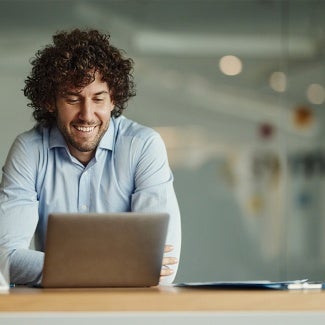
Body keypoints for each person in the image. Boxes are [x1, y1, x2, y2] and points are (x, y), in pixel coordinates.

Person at [0, 28, 181, 286]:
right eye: (73, 99)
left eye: (98, 99)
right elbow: (5, 259)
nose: (87, 114)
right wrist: (119, 266)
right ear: (51, 102)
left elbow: (163, 269)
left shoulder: (143, 146)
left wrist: (67, 270)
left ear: (113, 99)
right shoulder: (29, 150)